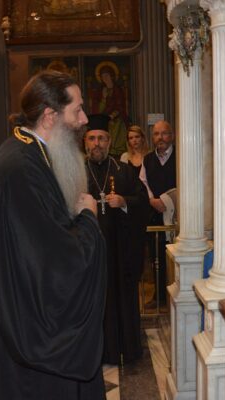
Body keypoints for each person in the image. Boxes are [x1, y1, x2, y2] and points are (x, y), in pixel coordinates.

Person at [0, 71, 107, 399]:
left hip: (22, 319)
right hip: (32, 338)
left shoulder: (30, 154)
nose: (84, 119)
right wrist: (88, 219)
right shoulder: (22, 168)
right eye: (77, 110)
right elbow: (55, 263)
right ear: (50, 115)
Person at [84, 114, 148, 365]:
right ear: (85, 142)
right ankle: (96, 352)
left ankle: (126, 348)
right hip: (89, 253)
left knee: (121, 298)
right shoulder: (76, 172)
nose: (96, 143)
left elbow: (142, 201)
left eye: (101, 138)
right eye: (92, 138)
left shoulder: (124, 171)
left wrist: (123, 202)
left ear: (109, 142)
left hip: (120, 252)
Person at [139, 120, 176, 306]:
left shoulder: (181, 157)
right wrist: (152, 200)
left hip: (177, 217)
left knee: (176, 257)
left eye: (164, 133)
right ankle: (160, 297)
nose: (160, 137)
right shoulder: (147, 159)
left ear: (172, 135)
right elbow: (143, 182)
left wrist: (167, 201)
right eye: (156, 134)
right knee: (157, 258)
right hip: (154, 215)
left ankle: (175, 297)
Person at [89, 63, 129, 158]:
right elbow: (97, 109)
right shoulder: (100, 91)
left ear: (112, 76)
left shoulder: (117, 90)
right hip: (104, 119)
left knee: (117, 125)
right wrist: (103, 98)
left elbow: (120, 106)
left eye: (107, 75)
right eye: (103, 76)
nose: (105, 78)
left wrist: (112, 116)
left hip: (116, 119)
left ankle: (116, 151)